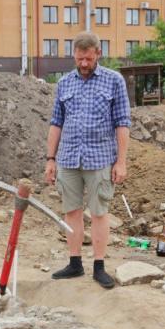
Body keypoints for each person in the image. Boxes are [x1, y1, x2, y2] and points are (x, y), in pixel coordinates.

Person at [43, 31, 131, 289]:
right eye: (79, 58)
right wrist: (50, 159)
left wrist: (121, 162)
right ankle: (75, 263)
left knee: (99, 212)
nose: (83, 64)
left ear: (98, 54)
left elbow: (123, 123)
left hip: (100, 158)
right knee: (71, 211)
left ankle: (99, 266)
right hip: (68, 158)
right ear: (74, 55)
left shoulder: (114, 81)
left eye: (88, 59)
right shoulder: (64, 83)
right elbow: (56, 123)